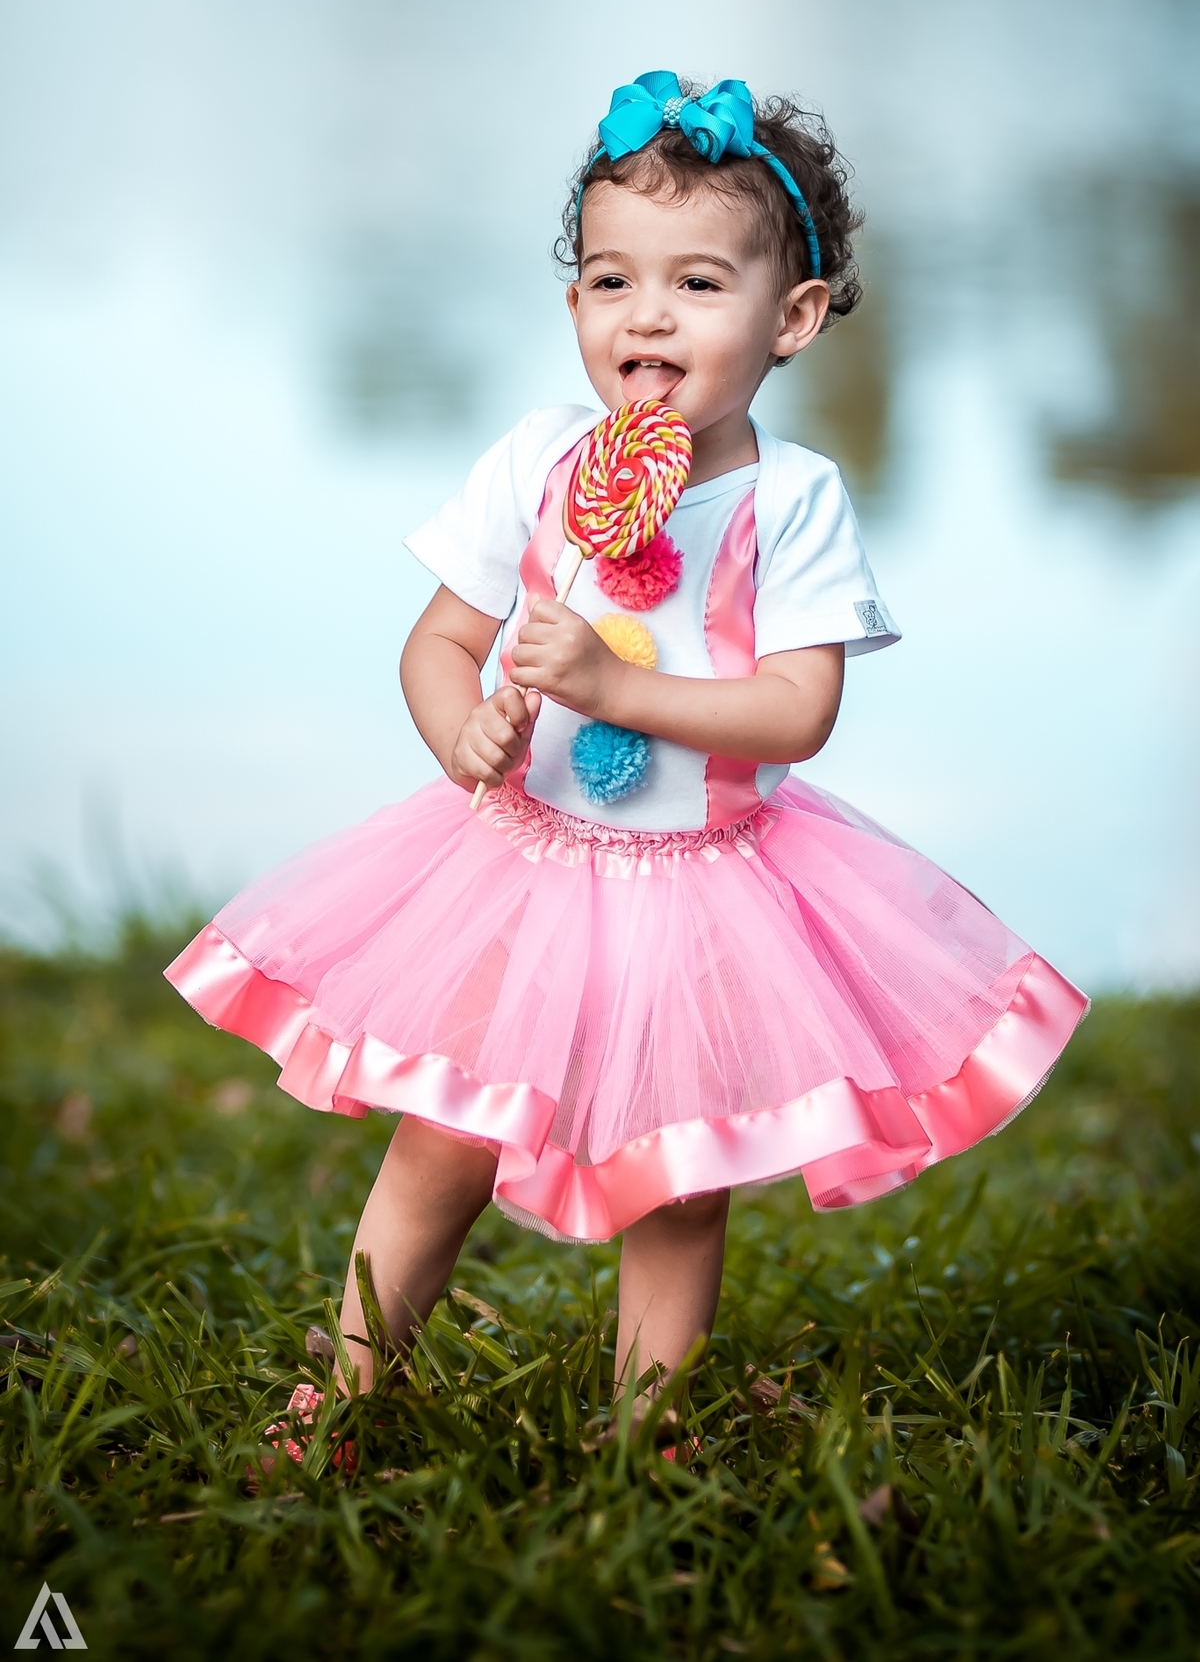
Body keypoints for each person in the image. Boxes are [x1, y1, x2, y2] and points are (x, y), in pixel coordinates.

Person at [167, 72, 1087, 1432]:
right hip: (520, 864)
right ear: (574, 306)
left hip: (705, 877)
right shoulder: (540, 463)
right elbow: (436, 640)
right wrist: (463, 730)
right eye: (612, 279)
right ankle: (349, 1391)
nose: (647, 312)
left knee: (678, 1170)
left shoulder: (794, 501)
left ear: (795, 318)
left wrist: (608, 681)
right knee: (443, 1137)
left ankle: (641, 1436)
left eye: (699, 283)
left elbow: (795, 710)